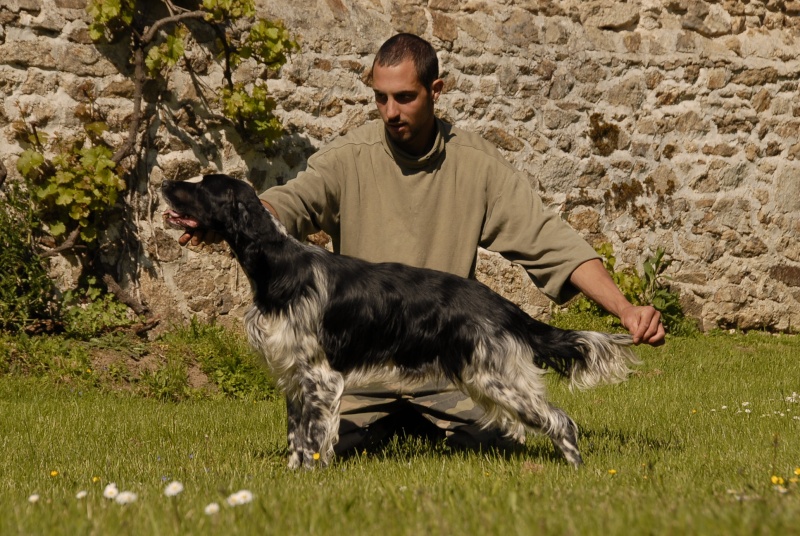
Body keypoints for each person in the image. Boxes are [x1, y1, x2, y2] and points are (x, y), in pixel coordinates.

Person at [179, 33, 665, 453]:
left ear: (436, 91)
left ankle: (424, 423)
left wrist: (624, 308)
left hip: (446, 363)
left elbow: (549, 240)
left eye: (405, 97)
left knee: (495, 440)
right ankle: (389, 424)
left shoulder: (476, 163)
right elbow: (289, 203)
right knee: (335, 441)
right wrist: (227, 218)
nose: (390, 112)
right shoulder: (349, 156)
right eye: (380, 98)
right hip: (363, 375)